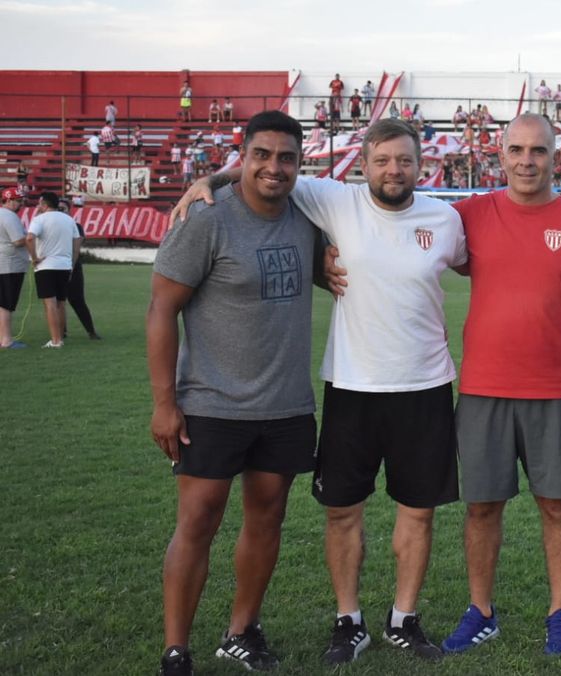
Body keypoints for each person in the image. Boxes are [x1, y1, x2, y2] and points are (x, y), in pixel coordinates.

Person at [174, 116, 468, 664]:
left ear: (421, 165)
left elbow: (477, 265)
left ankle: (405, 617)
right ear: (363, 165)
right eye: (382, 160)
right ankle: (348, 620)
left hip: (426, 383)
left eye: (404, 160)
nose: (393, 170)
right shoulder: (335, 200)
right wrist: (208, 181)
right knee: (342, 510)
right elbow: (263, 170)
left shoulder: (445, 219)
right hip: (351, 385)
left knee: (419, 512)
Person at [436, 113, 561, 656]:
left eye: (537, 150)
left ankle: (559, 612)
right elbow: (396, 229)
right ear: (500, 155)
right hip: (484, 388)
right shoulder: (470, 215)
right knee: (481, 507)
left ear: (554, 157)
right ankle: (481, 610)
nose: (526, 160)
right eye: (516, 150)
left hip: (559, 390)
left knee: (558, 505)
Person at [148, 111, 316, 676]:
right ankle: (177, 648)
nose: (274, 167)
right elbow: (161, 310)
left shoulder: (306, 214)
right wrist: (165, 403)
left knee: (267, 518)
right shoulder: (207, 219)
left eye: (287, 157)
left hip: (287, 404)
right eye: (262, 155)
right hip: (212, 402)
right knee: (198, 521)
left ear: (300, 162)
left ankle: (242, 630)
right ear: (241, 157)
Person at [24, 191, 79, 349]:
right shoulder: (69, 220)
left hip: (46, 266)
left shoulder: (39, 219)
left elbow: (29, 238)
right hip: (64, 265)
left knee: (50, 303)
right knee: (61, 303)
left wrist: (34, 257)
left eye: (40, 203)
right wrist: (72, 263)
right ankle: (60, 336)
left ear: (44, 204)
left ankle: (55, 341)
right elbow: (76, 242)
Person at [56, 202, 99, 340]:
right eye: (58, 208)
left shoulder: (77, 226)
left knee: (77, 300)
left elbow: (77, 245)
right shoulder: (53, 225)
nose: (60, 211)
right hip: (56, 265)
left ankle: (91, 331)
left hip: (72, 266)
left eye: (63, 208)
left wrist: (71, 267)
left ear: (70, 211)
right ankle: (62, 331)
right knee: (58, 301)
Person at [0, 188, 29, 349]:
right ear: (9, 200)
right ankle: (6, 340)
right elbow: (18, 241)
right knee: (6, 304)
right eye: (18, 200)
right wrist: (31, 238)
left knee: (3, 303)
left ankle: (3, 338)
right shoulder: (10, 217)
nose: (20, 204)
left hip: (3, 263)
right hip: (10, 265)